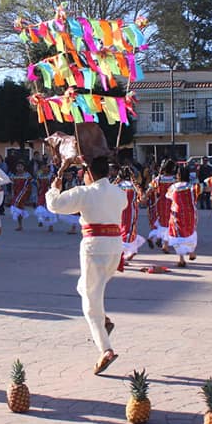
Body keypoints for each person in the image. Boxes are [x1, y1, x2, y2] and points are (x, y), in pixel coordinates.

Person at [46, 156, 126, 375]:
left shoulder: (85, 192)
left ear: (89, 173)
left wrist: (55, 188)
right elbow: (124, 203)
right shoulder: (118, 192)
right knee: (85, 288)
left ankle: (105, 349)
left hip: (95, 247)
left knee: (90, 304)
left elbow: (55, 205)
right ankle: (104, 320)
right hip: (115, 247)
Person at [165, 170, 200, 265]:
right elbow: (198, 192)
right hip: (190, 212)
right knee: (190, 231)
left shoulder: (173, 187)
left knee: (177, 234)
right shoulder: (192, 187)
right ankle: (192, 252)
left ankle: (181, 259)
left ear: (178, 176)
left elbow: (167, 196)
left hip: (177, 213)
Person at [146, 159, 177, 251]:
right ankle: (165, 244)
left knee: (160, 222)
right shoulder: (174, 180)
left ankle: (154, 238)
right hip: (171, 204)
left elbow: (149, 190)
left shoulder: (158, 179)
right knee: (169, 224)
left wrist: (144, 198)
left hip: (160, 204)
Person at [115, 166, 146, 261]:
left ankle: (122, 257)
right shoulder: (134, 186)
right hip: (132, 212)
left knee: (120, 232)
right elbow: (142, 199)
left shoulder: (116, 186)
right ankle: (131, 251)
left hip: (119, 212)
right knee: (129, 230)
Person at [8, 161, 34, 231]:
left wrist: (29, 195)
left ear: (23, 167)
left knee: (17, 205)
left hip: (24, 193)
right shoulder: (13, 175)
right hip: (16, 194)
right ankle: (20, 225)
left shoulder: (27, 175)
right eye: (18, 166)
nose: (19, 168)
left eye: (21, 166)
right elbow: (11, 186)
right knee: (19, 209)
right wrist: (11, 194)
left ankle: (20, 225)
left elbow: (30, 186)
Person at [33, 160, 57, 231]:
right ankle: (40, 220)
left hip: (50, 193)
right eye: (42, 167)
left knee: (50, 208)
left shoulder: (52, 175)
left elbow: (54, 184)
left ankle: (51, 225)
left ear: (48, 168)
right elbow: (37, 184)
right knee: (40, 206)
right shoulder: (39, 175)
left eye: (45, 167)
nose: (44, 169)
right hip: (41, 193)